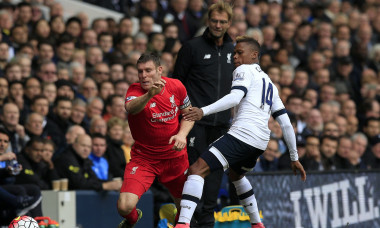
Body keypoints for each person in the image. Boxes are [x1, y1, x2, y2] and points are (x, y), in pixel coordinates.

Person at [174, 36, 306, 228]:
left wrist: (203, 111)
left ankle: (183, 225)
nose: (234, 56)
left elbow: (235, 98)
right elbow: (285, 123)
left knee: (197, 169)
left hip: (243, 134)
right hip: (261, 142)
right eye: (234, 52)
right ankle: (257, 224)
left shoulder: (243, 70)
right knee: (236, 175)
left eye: (239, 52)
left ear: (254, 55)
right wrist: (294, 157)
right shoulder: (269, 83)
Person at [172, 2, 235, 227]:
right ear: (208, 21)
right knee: (192, 177)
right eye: (214, 21)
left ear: (229, 23)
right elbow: (176, 84)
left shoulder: (233, 51)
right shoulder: (192, 47)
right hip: (194, 126)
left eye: (223, 22)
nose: (218, 25)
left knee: (213, 185)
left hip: (221, 127)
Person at [117, 53, 194, 228]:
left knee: (185, 211)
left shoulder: (176, 86)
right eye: (140, 71)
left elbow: (188, 114)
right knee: (124, 206)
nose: (143, 75)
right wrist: (150, 94)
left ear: (160, 70)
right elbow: (131, 108)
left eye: (148, 70)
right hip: (145, 159)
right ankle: (133, 219)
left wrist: (182, 135)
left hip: (174, 156)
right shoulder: (135, 90)